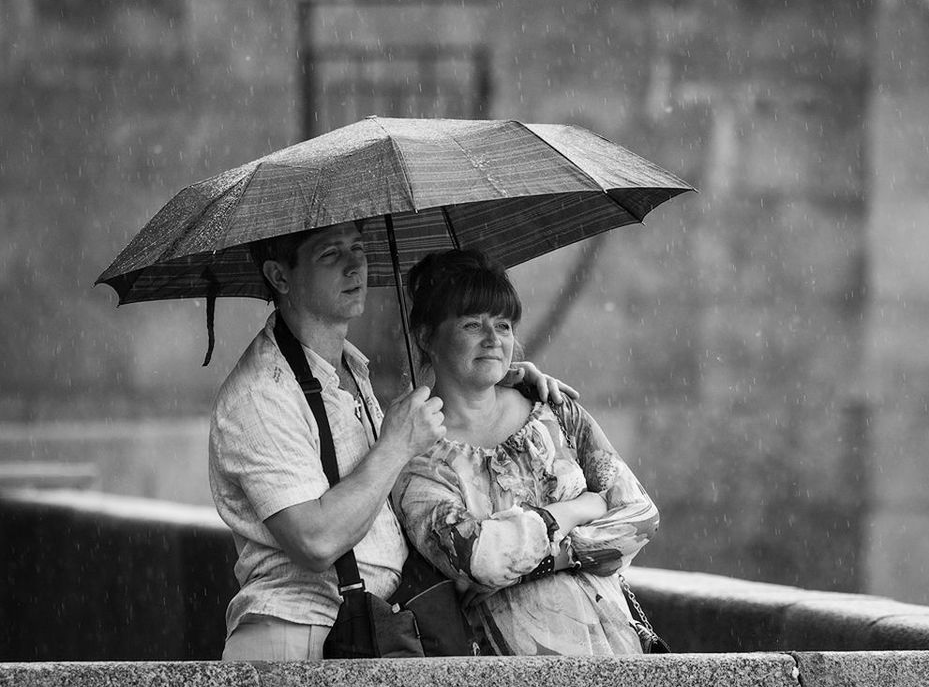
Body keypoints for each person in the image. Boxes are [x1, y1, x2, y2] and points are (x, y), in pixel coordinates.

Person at [209, 220, 573, 661]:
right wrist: (396, 446)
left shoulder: (346, 370)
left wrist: (499, 379)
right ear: (280, 276)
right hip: (299, 639)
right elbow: (315, 542)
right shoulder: (262, 395)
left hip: (368, 624)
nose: (354, 265)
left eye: (358, 248)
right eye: (330, 254)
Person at [394, 247, 659, 656]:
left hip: (615, 648)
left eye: (502, 325)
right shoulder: (419, 456)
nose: (492, 339)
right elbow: (479, 558)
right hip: (511, 667)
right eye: (471, 324)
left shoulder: (555, 409)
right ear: (427, 337)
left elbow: (640, 517)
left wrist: (536, 556)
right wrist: (575, 511)